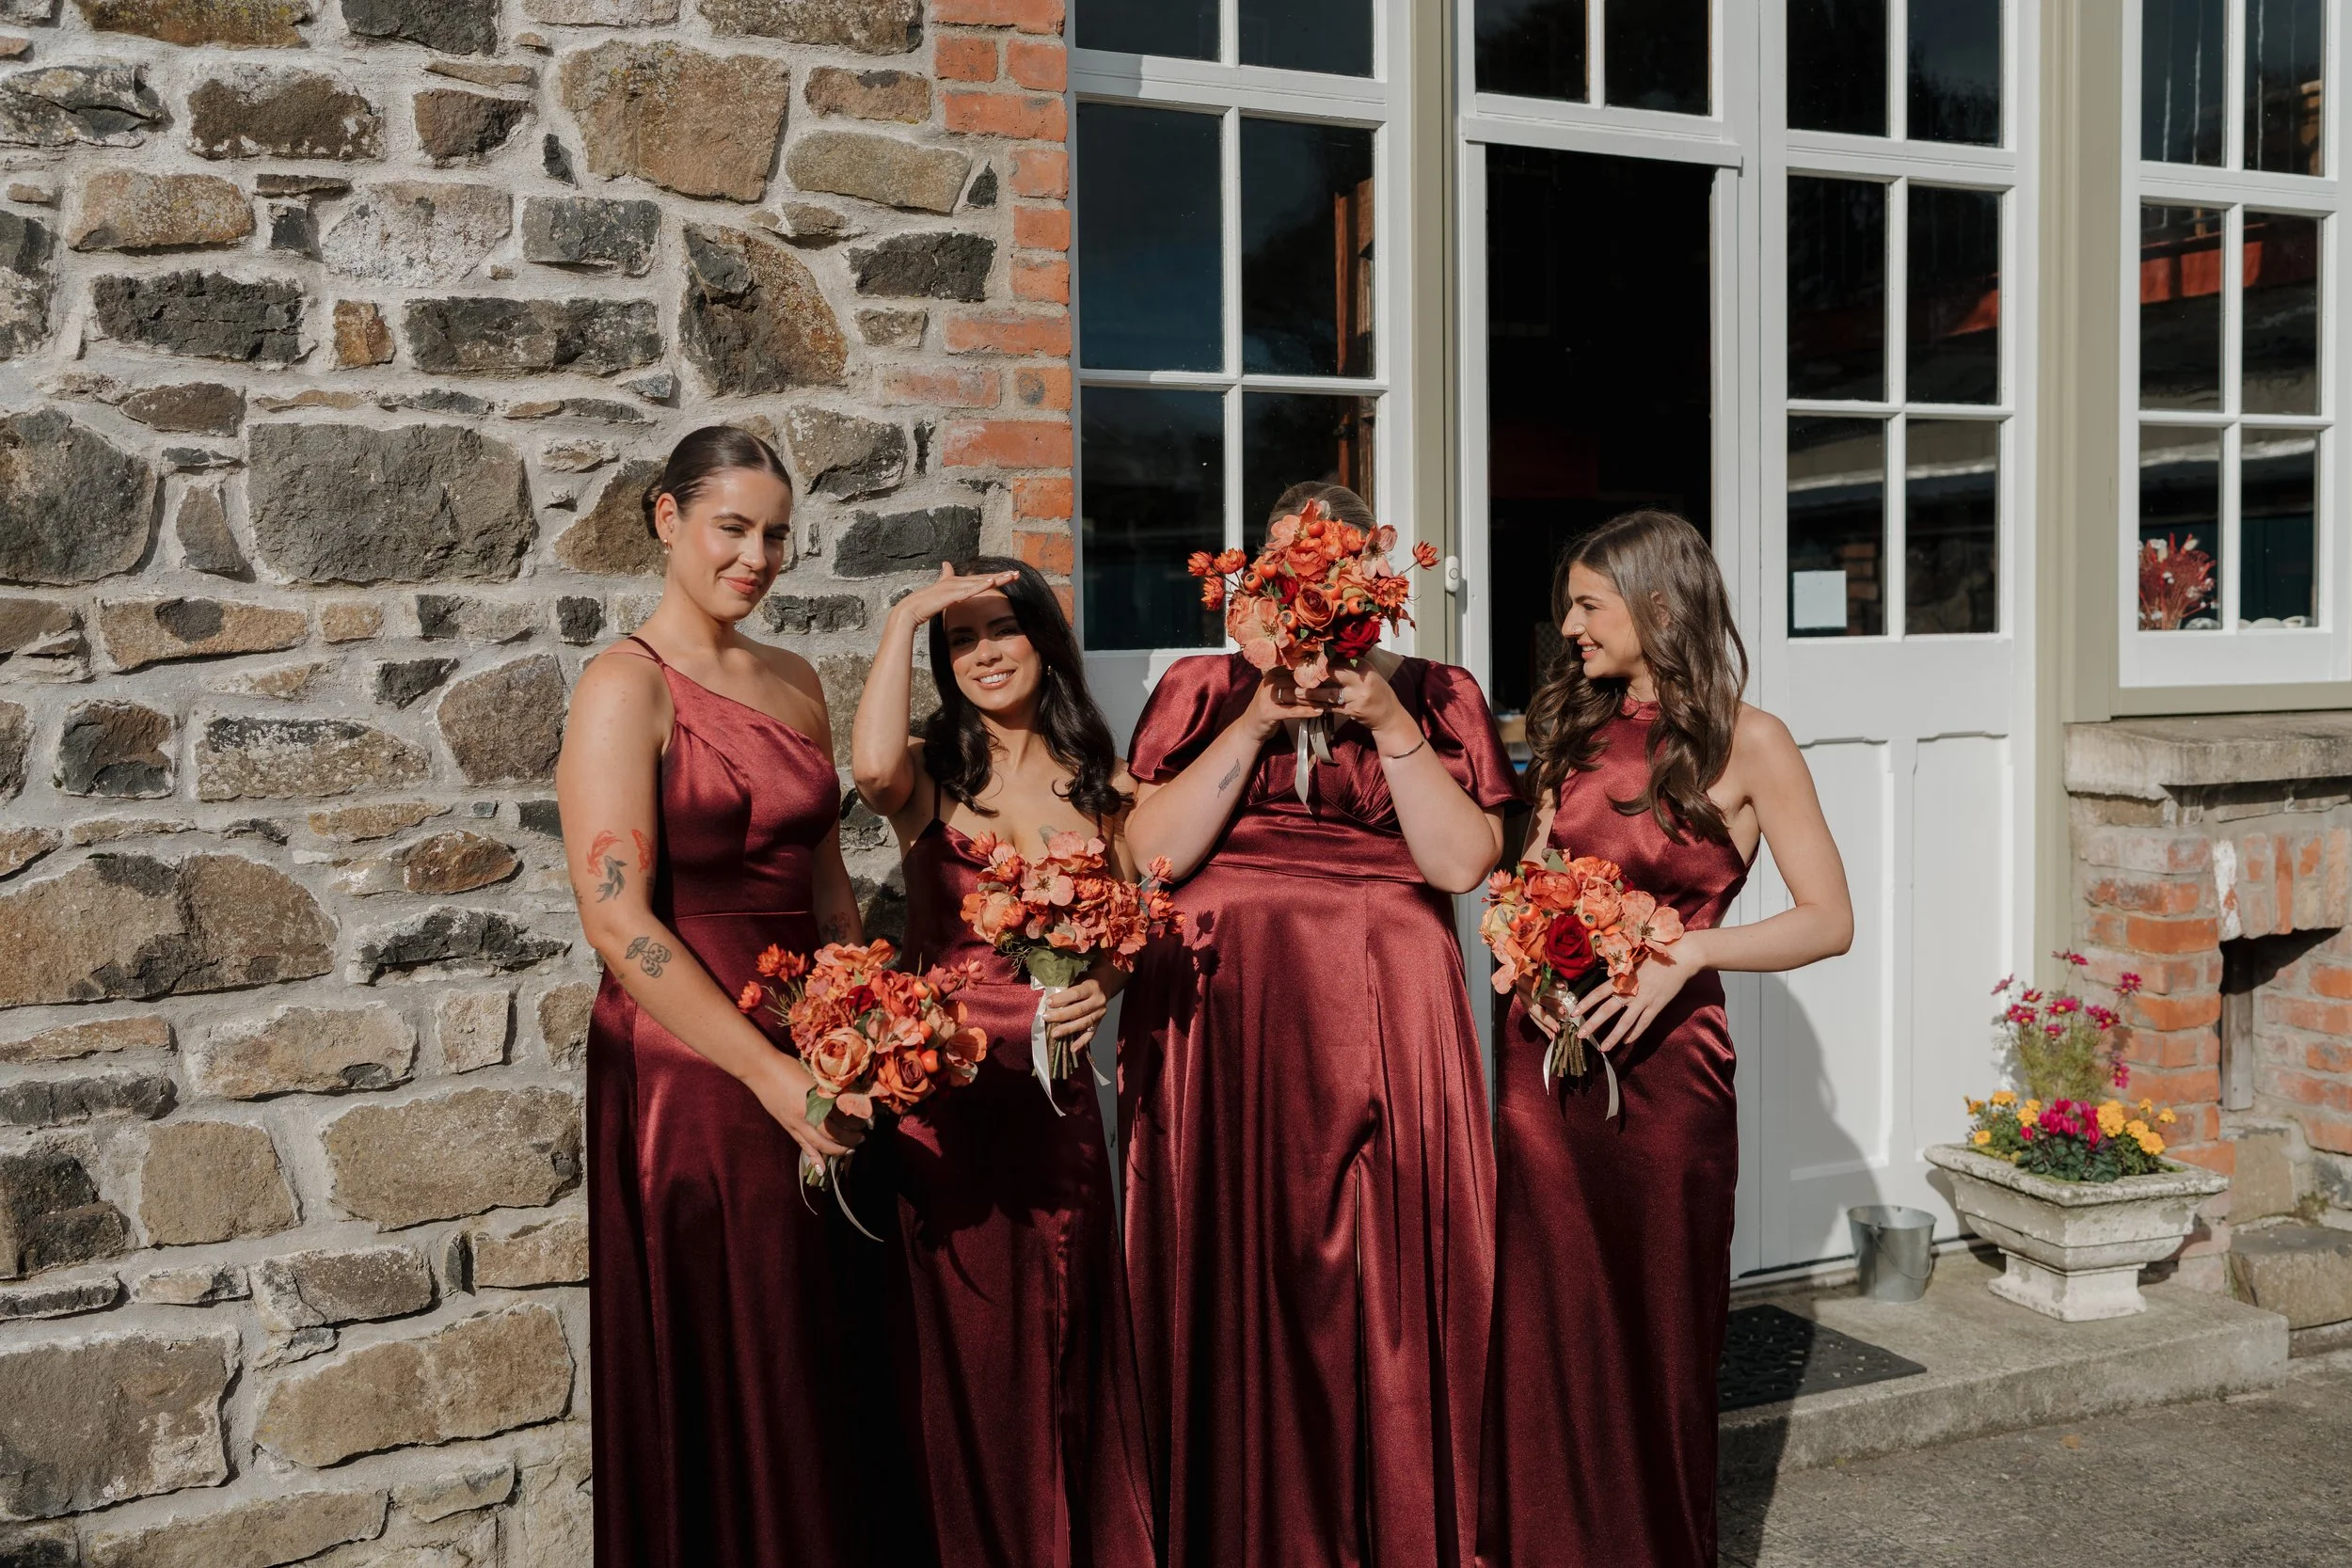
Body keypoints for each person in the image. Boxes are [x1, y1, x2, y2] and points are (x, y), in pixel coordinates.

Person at [1112, 483, 1518, 1568]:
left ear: (1373, 587)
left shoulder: (1436, 693)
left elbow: (1458, 866)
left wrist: (1384, 719)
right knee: (1242, 1263)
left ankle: (1400, 1517)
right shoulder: (1201, 687)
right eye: (1285, 558)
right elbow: (1150, 855)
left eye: (1330, 559)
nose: (1306, 580)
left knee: (1382, 1267)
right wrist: (1255, 714)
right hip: (1225, 1006)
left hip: (1386, 995)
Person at [558, 426, 923, 1568]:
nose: (758, 556)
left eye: (775, 534)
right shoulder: (625, 685)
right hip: (691, 1065)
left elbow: (825, 887)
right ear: (667, 521)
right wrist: (767, 1073)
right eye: (733, 528)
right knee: (736, 1347)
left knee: (826, 1346)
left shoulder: (797, 680)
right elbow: (619, 920)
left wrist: (861, 1029)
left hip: (814, 1046)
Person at [1478, 510, 1852, 1568]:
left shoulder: (1750, 739)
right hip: (1540, 1061)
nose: (1567, 625)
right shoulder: (1572, 726)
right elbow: (1526, 881)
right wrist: (1528, 974)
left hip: (1669, 1075)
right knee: (1548, 1315)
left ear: (1655, 605)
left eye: (1588, 604)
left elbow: (1829, 918)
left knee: (1658, 1325)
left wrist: (1689, 954)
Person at [850, 557, 1145, 1568]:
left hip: (1053, 1113)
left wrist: (1098, 988)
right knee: (957, 1353)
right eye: (957, 639)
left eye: (999, 629)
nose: (981, 653)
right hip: (942, 1106)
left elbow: (1127, 927)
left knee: (1063, 1343)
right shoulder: (931, 772)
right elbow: (868, 772)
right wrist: (902, 620)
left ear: (1042, 638)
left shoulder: (1098, 782)